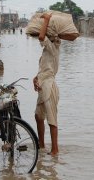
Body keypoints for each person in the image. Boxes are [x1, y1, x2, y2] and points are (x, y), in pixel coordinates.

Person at [31, 13, 77, 156]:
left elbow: (41, 37)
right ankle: (41, 145)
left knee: (52, 119)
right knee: (38, 116)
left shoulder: (53, 47)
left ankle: (55, 149)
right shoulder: (46, 52)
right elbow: (44, 69)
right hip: (42, 85)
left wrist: (46, 19)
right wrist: (36, 78)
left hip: (49, 87)